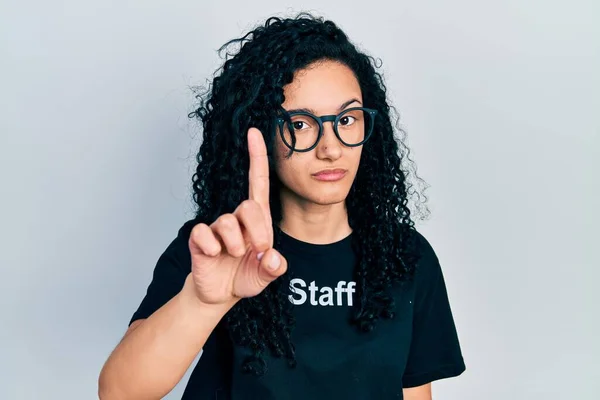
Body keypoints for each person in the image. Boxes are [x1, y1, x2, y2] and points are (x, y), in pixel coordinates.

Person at [98, 12, 466, 400]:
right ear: (260, 131)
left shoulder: (407, 257)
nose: (331, 148)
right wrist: (204, 302)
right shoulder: (218, 247)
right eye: (301, 124)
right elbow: (120, 391)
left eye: (347, 118)